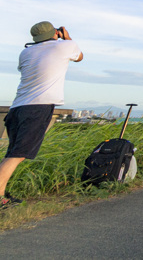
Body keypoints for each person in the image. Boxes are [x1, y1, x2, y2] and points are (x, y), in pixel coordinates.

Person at [1, 22, 83, 210]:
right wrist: (66, 37)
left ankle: (2, 195)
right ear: (55, 33)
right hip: (37, 108)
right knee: (17, 155)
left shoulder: (26, 53)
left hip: (17, 108)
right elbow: (79, 57)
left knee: (13, 153)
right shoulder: (65, 45)